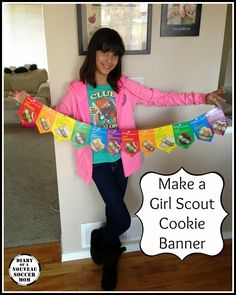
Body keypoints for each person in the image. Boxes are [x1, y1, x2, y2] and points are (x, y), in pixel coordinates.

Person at [9, 27, 226, 291]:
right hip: (98, 163)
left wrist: (201, 98)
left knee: (113, 211)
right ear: (94, 52)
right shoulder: (78, 90)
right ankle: (101, 237)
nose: (109, 59)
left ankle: (109, 258)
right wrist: (27, 102)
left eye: (115, 54)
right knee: (122, 220)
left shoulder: (124, 87)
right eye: (104, 51)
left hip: (123, 161)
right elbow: (55, 118)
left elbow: (160, 97)